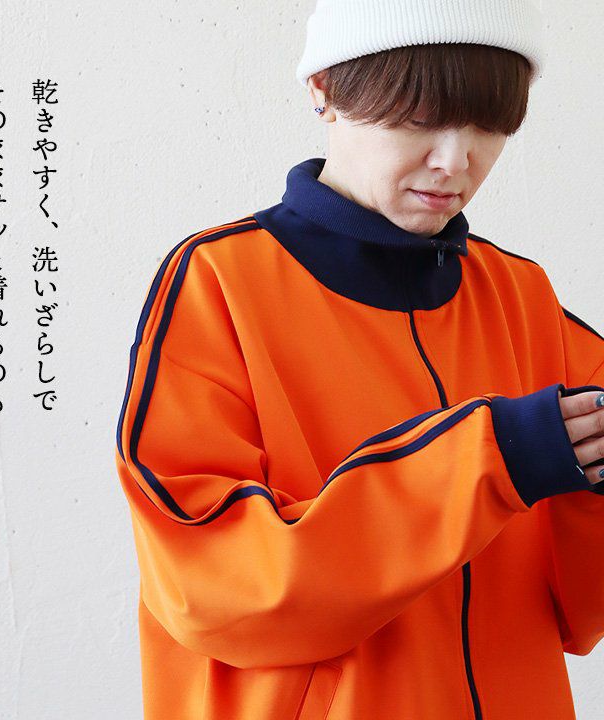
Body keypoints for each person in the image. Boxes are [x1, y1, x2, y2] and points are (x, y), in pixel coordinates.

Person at [114, 1, 604, 717]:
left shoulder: (521, 296)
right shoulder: (218, 285)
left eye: (488, 124)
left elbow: (576, 612)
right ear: (324, 90)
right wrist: (492, 459)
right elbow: (212, 589)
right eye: (419, 117)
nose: (456, 161)